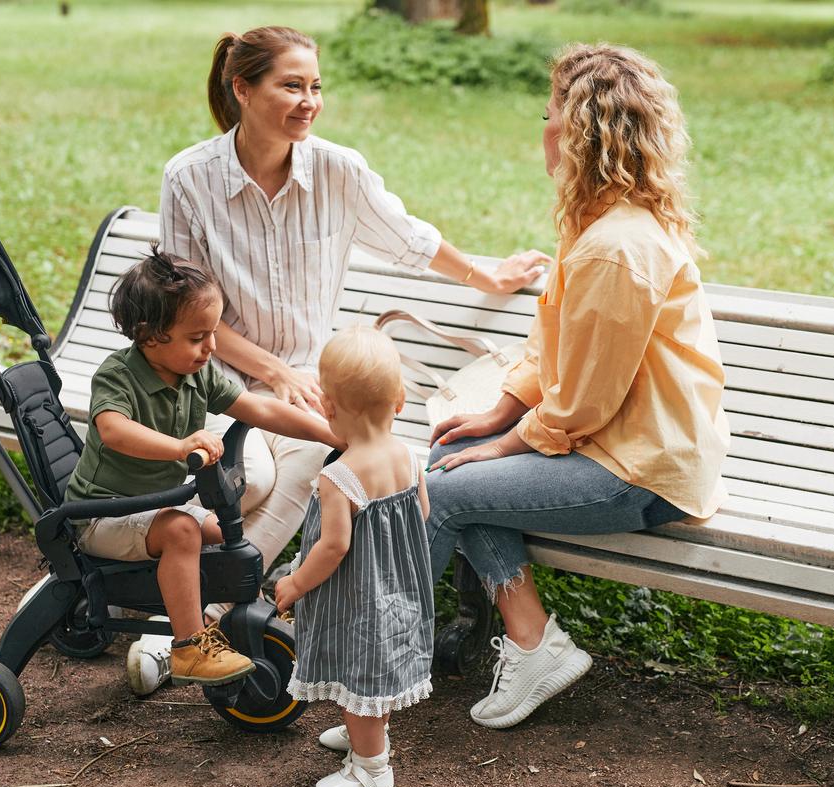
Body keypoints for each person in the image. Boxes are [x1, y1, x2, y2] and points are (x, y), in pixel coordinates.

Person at [130, 24, 549, 693]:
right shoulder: (190, 178)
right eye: (290, 85)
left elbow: (410, 240)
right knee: (262, 481)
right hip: (223, 375)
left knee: (363, 468)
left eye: (315, 86)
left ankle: (205, 622)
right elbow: (187, 316)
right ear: (242, 88)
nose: (309, 101)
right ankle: (211, 618)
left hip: (319, 379)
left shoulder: (337, 170)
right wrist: (273, 373)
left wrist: (489, 276)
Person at [425, 43, 731, 729]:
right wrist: (499, 413)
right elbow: (550, 342)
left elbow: (587, 401)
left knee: (440, 491)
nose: (543, 129)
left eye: (549, 113)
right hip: (614, 446)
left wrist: (507, 446)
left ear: (580, 133)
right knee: (449, 464)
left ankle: (373, 664)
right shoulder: (594, 223)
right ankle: (535, 645)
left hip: (640, 471)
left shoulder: (617, 246)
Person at [63, 246, 342, 689]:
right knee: (184, 531)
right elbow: (113, 430)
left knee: (223, 535)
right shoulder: (118, 375)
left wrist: (330, 433)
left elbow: (261, 410)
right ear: (150, 335)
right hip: (103, 514)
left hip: (149, 508)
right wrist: (178, 447)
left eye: (213, 333)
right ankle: (189, 645)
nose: (211, 347)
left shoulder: (197, 374)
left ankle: (222, 615)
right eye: (198, 337)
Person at [274, 327, 433, 787]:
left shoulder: (339, 474)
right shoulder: (406, 455)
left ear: (328, 407)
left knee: (361, 665)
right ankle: (366, 729)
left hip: (358, 596)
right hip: (398, 586)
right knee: (379, 666)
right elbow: (421, 512)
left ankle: (371, 766)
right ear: (400, 400)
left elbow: (333, 547)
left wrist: (295, 584)